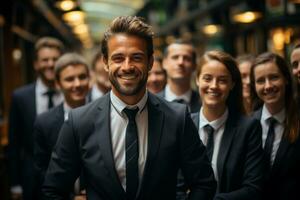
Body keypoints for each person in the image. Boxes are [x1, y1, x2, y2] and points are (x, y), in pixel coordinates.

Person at [42, 16, 216, 200]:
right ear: (105, 62)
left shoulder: (177, 117)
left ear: (150, 62)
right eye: (118, 58)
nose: (127, 67)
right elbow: (52, 190)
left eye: (136, 57)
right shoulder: (79, 121)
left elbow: (204, 183)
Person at [191, 50, 264, 199]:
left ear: (232, 84)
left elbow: (253, 188)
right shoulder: (185, 125)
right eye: (207, 78)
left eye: (222, 80)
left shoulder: (248, 128)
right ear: (197, 80)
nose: (214, 86)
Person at [8, 36, 64, 200]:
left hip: (66, 177)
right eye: (45, 60)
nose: (50, 64)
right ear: (36, 64)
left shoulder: (72, 95)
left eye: (55, 59)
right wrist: (15, 184)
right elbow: (14, 143)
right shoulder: (20, 97)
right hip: (31, 180)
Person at [34, 53, 90, 199]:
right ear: (58, 84)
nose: (77, 84)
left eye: (82, 77)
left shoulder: (104, 115)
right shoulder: (44, 122)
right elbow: (42, 171)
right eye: (69, 79)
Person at [251, 52, 300, 200]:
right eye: (260, 80)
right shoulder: (247, 125)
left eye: (274, 77)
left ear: (285, 78)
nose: (268, 86)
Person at [158, 40, 200, 113]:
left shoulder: (204, 102)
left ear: (194, 65)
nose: (180, 62)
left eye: (187, 58)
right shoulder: (151, 103)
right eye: (175, 57)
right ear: (164, 63)